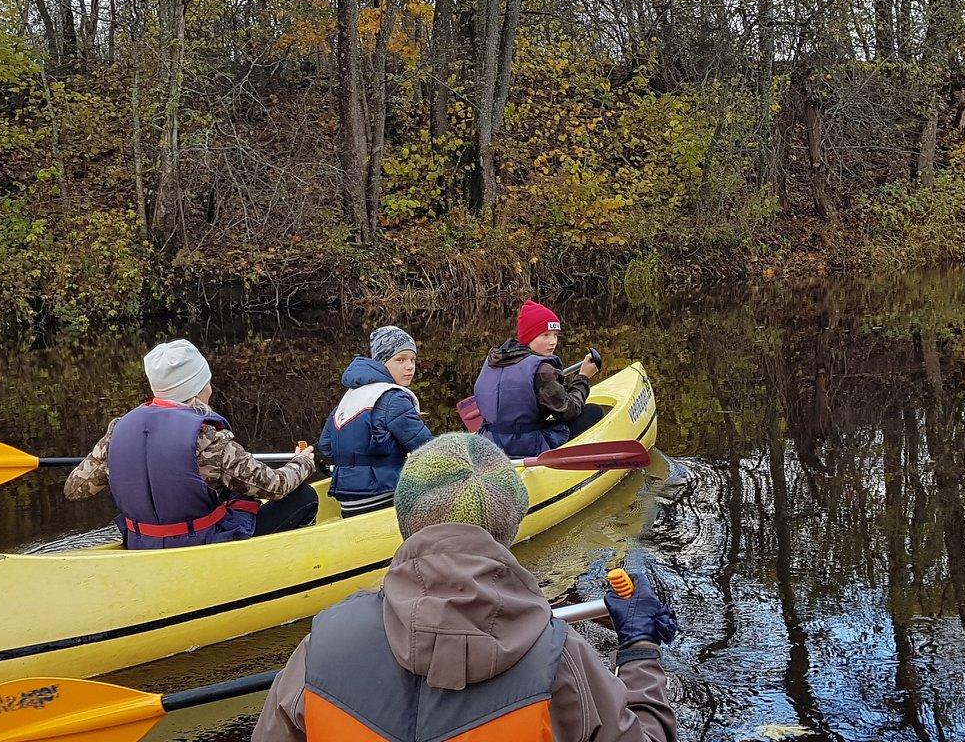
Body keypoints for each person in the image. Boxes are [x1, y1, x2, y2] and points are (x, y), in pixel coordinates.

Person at [253, 433, 678, 741]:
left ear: (404, 524)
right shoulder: (561, 657)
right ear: (510, 531)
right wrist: (639, 650)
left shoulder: (322, 644)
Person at [64, 339, 318, 549]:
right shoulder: (208, 439)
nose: (210, 387)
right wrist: (303, 462)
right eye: (206, 380)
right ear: (197, 388)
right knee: (304, 497)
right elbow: (275, 486)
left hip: (141, 543)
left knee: (237, 492)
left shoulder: (117, 430)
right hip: (200, 546)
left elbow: (75, 489)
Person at [317, 325, 435, 516]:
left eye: (413, 359)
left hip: (347, 498)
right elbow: (427, 448)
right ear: (382, 362)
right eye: (400, 359)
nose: (409, 366)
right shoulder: (393, 398)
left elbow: (326, 447)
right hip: (382, 494)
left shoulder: (350, 396)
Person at [475, 300, 608, 457]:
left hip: (490, 441)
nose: (552, 342)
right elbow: (569, 411)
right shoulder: (541, 370)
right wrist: (583, 377)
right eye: (545, 335)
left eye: (555, 335)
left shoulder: (494, 360)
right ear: (529, 336)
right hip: (524, 447)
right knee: (593, 412)